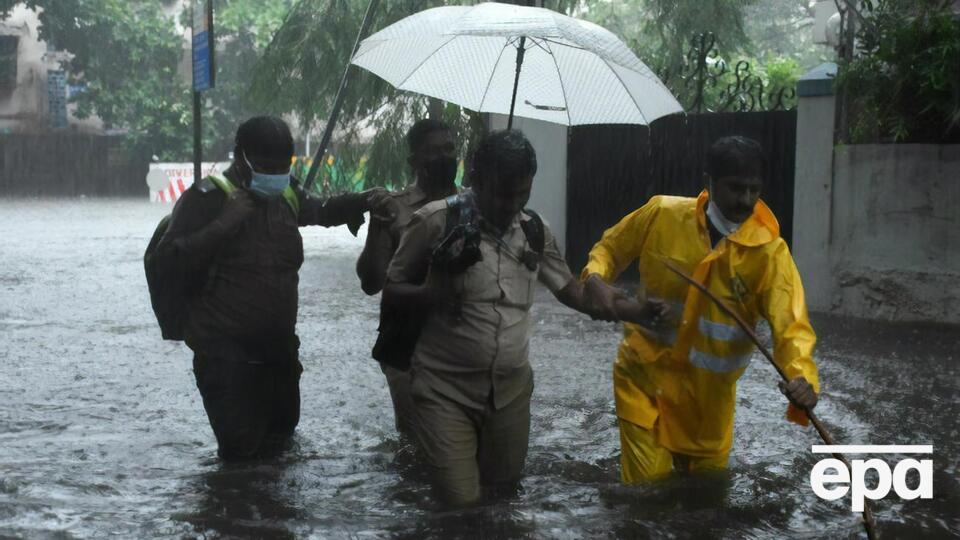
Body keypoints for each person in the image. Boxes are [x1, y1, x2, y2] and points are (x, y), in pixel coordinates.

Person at [383, 129, 664, 506]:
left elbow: (570, 290)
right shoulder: (435, 222)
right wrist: (431, 294)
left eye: (522, 194)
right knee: (459, 502)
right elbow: (391, 289)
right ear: (476, 180)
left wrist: (634, 310)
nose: (511, 204)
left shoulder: (533, 230)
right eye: (502, 193)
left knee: (503, 498)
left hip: (510, 394)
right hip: (443, 390)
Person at [581, 135, 820, 483]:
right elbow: (609, 248)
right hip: (643, 383)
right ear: (709, 181)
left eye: (755, 189)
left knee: (707, 500)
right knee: (649, 494)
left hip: (709, 407)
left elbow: (792, 325)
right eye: (736, 188)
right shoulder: (661, 214)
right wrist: (595, 279)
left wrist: (803, 377)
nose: (746, 200)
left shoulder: (770, 255)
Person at [155, 116, 391, 461]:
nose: (276, 175)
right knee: (240, 459)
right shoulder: (205, 199)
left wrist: (364, 201)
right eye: (267, 166)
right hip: (225, 359)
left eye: (284, 166)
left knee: (282, 451)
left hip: (279, 355)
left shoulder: (287, 193)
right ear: (241, 157)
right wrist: (224, 224)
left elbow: (321, 210)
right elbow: (168, 261)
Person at [356, 119, 459, 438]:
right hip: (408, 344)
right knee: (416, 443)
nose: (443, 157)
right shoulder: (395, 209)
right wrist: (377, 227)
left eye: (449, 149)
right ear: (413, 161)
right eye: (432, 152)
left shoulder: (477, 206)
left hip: (463, 341)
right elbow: (371, 283)